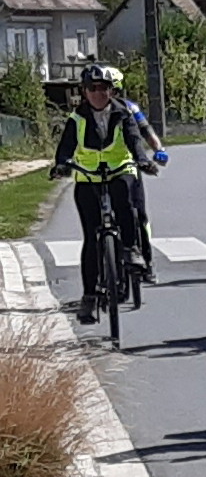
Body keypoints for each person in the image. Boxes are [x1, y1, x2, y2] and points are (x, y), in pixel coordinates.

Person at [51, 64, 157, 325]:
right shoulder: (77, 118)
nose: (98, 93)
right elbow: (66, 146)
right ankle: (89, 297)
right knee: (91, 237)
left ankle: (131, 249)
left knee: (126, 202)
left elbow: (134, 139)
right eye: (92, 88)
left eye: (104, 88)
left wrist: (142, 160)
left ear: (112, 90)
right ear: (84, 92)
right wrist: (62, 165)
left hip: (118, 170)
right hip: (88, 177)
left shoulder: (123, 114)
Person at [106, 66, 167, 284]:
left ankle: (147, 263)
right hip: (101, 172)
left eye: (111, 89)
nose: (106, 94)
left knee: (139, 215)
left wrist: (158, 149)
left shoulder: (130, 108)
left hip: (128, 168)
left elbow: (146, 130)